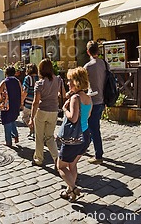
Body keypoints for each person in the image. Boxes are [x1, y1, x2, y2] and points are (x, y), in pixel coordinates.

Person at [57, 67, 92, 202]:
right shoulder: (88, 98)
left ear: (76, 82)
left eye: (70, 80)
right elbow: (87, 115)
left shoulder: (75, 98)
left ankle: (74, 188)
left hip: (73, 138)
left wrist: (65, 109)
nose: (67, 83)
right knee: (72, 165)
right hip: (85, 135)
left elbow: (73, 118)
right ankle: (69, 192)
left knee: (61, 166)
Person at [29, 59, 63, 166]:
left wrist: (31, 117)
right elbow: (63, 94)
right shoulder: (58, 80)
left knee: (39, 137)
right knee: (49, 137)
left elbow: (36, 102)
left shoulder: (39, 84)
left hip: (42, 111)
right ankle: (56, 158)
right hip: (54, 111)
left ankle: (39, 159)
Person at [84, 40, 107, 164]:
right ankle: (86, 146)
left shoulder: (87, 66)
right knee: (92, 126)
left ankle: (98, 155)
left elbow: (81, 83)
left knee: (93, 128)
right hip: (102, 99)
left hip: (92, 100)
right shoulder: (104, 63)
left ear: (88, 52)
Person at [0, 66, 22, 147]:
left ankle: (8, 141)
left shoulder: (5, 82)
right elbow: (21, 91)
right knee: (13, 120)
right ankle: (15, 135)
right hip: (15, 104)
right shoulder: (17, 81)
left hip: (6, 105)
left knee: (7, 122)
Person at [22, 63, 39, 138]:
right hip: (38, 101)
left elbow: (25, 91)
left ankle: (32, 129)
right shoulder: (39, 78)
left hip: (29, 101)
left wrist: (21, 101)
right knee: (35, 117)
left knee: (25, 117)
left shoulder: (28, 78)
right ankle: (33, 131)